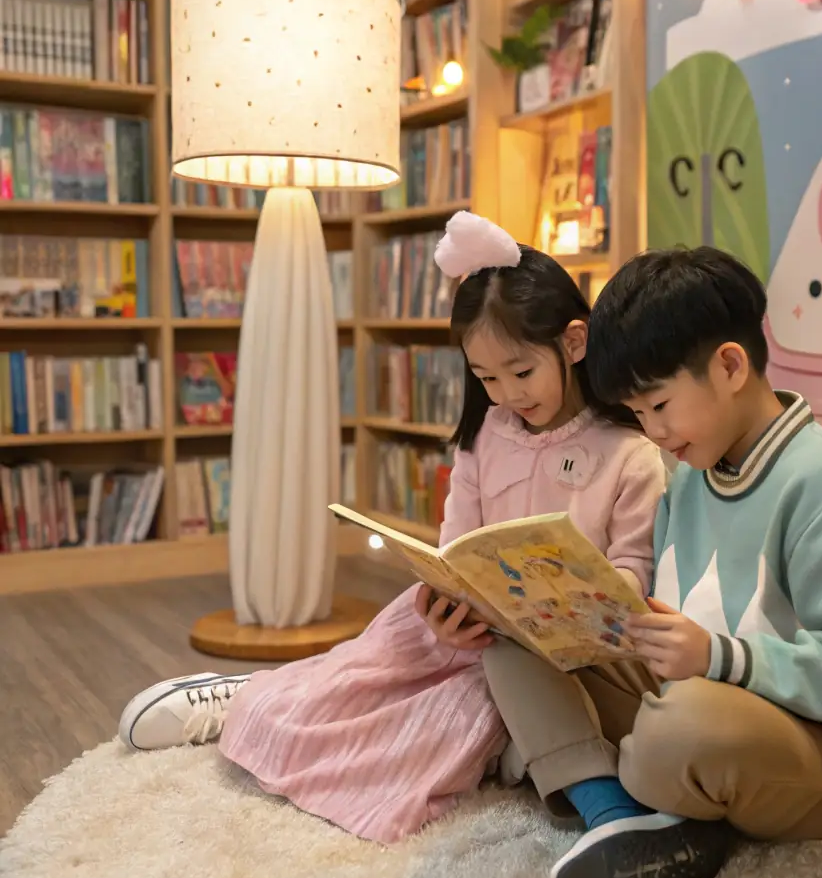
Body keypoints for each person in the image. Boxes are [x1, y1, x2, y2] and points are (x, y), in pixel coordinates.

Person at [118, 213, 666, 845]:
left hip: (554, 655)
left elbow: (632, 576)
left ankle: (564, 783)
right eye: (486, 378)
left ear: (574, 343)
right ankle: (250, 698)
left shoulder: (629, 453)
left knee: (439, 736)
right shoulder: (486, 436)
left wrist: (567, 608)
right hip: (456, 632)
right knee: (326, 698)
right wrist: (442, 601)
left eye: (521, 372)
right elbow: (457, 545)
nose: (507, 394)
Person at [482, 245, 822, 878]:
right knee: (512, 641)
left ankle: (641, 791)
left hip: (818, 752)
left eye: (658, 404)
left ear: (730, 365)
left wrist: (718, 657)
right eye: (637, 411)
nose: (653, 430)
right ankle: (618, 813)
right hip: (694, 698)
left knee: (673, 732)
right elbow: (676, 627)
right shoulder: (689, 477)